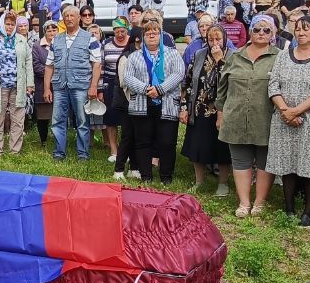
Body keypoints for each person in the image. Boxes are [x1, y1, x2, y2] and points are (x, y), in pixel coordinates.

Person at [266, 16, 310, 225]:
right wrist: (286, 111)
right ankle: (288, 208)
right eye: (297, 29)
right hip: (284, 118)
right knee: (287, 163)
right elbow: (273, 85)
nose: (301, 33)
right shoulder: (284, 56)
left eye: (306, 29)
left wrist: (296, 111)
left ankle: (308, 212)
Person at [216, 14, 280, 216]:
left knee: (263, 162)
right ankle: (244, 202)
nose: (261, 33)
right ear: (250, 31)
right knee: (240, 161)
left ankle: (260, 202)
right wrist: (220, 114)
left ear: (273, 34)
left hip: (266, 118)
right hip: (235, 117)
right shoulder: (235, 56)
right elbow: (222, 89)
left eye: (266, 30)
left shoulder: (280, 58)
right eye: (257, 29)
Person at [120, 20, 184, 184]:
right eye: (148, 33)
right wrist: (147, 89)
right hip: (142, 104)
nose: (151, 35)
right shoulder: (135, 56)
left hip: (168, 104)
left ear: (161, 35)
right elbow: (127, 77)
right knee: (143, 142)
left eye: (155, 32)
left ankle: (166, 178)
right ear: (143, 37)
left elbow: (178, 74)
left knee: (167, 142)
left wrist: (160, 89)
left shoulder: (172, 53)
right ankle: (146, 176)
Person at [44, 3, 102, 162]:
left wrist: (93, 86)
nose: (69, 18)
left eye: (72, 16)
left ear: (78, 19)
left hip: (81, 87)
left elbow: (96, 64)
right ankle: (58, 152)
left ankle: (83, 154)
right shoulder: (56, 39)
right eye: (66, 16)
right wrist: (46, 88)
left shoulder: (89, 38)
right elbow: (49, 65)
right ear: (63, 19)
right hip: (60, 86)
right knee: (57, 121)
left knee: (82, 122)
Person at [181, 24, 232, 194]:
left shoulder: (234, 55)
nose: (214, 42)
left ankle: (223, 183)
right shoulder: (198, 54)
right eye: (211, 39)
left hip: (223, 109)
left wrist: (220, 60)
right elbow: (188, 82)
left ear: (224, 38)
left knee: (222, 147)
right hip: (199, 108)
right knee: (198, 145)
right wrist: (184, 107)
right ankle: (199, 181)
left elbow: (231, 80)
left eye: (218, 39)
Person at [0, 12, 33, 156]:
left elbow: (28, 63)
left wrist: (30, 84)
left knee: (18, 120)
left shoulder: (21, 40)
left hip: (18, 86)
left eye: (12, 24)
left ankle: (15, 151)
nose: (10, 27)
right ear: (2, 24)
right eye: (7, 24)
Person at [99, 18, 131, 163]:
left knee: (128, 119)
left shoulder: (132, 43)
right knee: (111, 119)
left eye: (122, 31)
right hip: (110, 83)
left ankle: (127, 149)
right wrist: (100, 88)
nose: (119, 34)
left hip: (129, 85)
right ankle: (114, 150)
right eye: (117, 31)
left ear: (127, 30)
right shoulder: (106, 44)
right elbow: (101, 67)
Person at [31, 20, 56, 147]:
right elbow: (36, 66)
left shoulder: (62, 44)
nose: (52, 32)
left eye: (54, 30)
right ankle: (43, 141)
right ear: (44, 31)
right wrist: (53, 73)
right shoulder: (37, 46)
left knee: (58, 116)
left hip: (59, 87)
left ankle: (58, 140)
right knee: (43, 116)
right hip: (42, 86)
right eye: (49, 30)